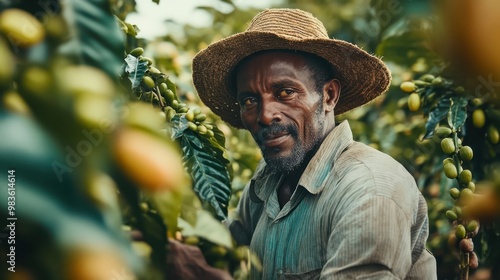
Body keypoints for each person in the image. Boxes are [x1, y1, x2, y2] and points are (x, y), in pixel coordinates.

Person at [192, 8, 437, 279]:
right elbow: (225, 250)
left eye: (285, 92)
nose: (264, 115)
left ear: (329, 96)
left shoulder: (370, 188)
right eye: (249, 101)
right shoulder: (267, 183)